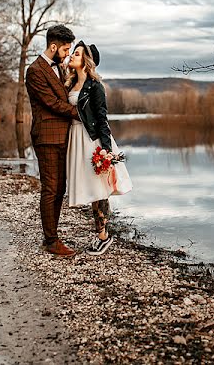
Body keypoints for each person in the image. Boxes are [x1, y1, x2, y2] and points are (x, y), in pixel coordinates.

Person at [64, 41, 133, 256]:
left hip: (92, 140)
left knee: (99, 190)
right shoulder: (70, 83)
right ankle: (101, 234)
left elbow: (102, 119)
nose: (71, 56)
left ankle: (103, 237)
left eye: (76, 54)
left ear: (86, 61)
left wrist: (106, 150)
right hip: (76, 138)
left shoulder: (95, 87)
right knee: (93, 189)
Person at [25, 24, 80, 257]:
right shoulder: (35, 70)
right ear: (53, 46)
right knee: (51, 189)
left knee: (60, 188)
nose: (67, 53)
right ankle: (50, 240)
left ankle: (53, 235)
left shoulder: (59, 68)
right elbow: (52, 103)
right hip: (47, 137)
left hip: (62, 136)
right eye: (65, 49)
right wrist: (80, 113)